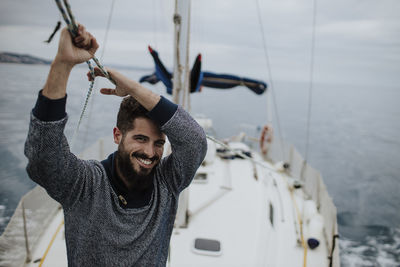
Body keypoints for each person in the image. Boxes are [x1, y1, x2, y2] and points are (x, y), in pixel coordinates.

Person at [24, 25, 207, 266]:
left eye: (159, 143)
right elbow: (44, 157)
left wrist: (132, 88)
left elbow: (194, 141)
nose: (151, 153)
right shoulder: (85, 184)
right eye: (140, 139)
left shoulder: (168, 182)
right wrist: (63, 64)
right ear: (117, 135)